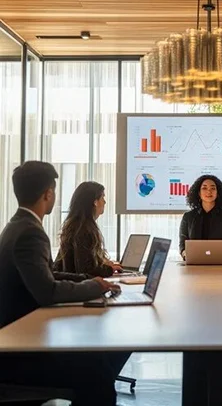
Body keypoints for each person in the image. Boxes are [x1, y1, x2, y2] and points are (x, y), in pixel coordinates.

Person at [0, 161, 130, 406]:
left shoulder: (17, 226)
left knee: (101, 363)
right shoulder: (30, 232)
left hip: (22, 338)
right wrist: (95, 286)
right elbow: (48, 291)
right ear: (48, 194)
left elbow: (49, 273)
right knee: (97, 374)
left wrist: (90, 280)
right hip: (19, 353)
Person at [54, 181, 122, 278]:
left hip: (71, 286)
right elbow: (87, 270)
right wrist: (109, 269)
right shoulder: (84, 229)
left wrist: (102, 263)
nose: (105, 202)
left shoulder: (75, 226)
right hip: (80, 289)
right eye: (102, 197)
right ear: (95, 202)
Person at [179, 175, 222, 259]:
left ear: (218, 193)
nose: (209, 191)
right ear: (199, 193)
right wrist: (185, 254)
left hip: (219, 265)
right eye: (204, 188)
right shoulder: (188, 217)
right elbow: (182, 244)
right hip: (193, 266)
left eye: (213, 188)